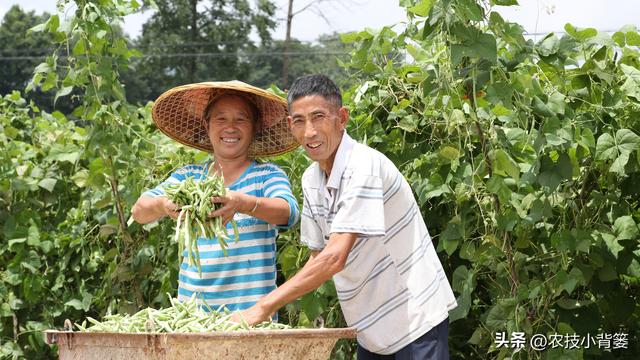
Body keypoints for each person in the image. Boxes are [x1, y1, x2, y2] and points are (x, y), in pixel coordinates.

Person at [236, 75, 457, 358]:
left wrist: (263, 307)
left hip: (415, 323)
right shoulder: (311, 179)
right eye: (300, 121)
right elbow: (319, 256)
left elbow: (334, 257)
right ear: (291, 126)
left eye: (319, 117)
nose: (310, 132)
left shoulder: (363, 166)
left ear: (342, 118)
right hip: (369, 330)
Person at [131, 81, 300, 312]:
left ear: (255, 126)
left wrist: (243, 203)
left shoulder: (266, 176)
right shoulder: (189, 179)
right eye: (221, 119)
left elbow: (288, 212)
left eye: (241, 119)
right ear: (207, 125)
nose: (230, 128)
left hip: (250, 317)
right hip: (193, 316)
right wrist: (163, 204)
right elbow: (139, 211)